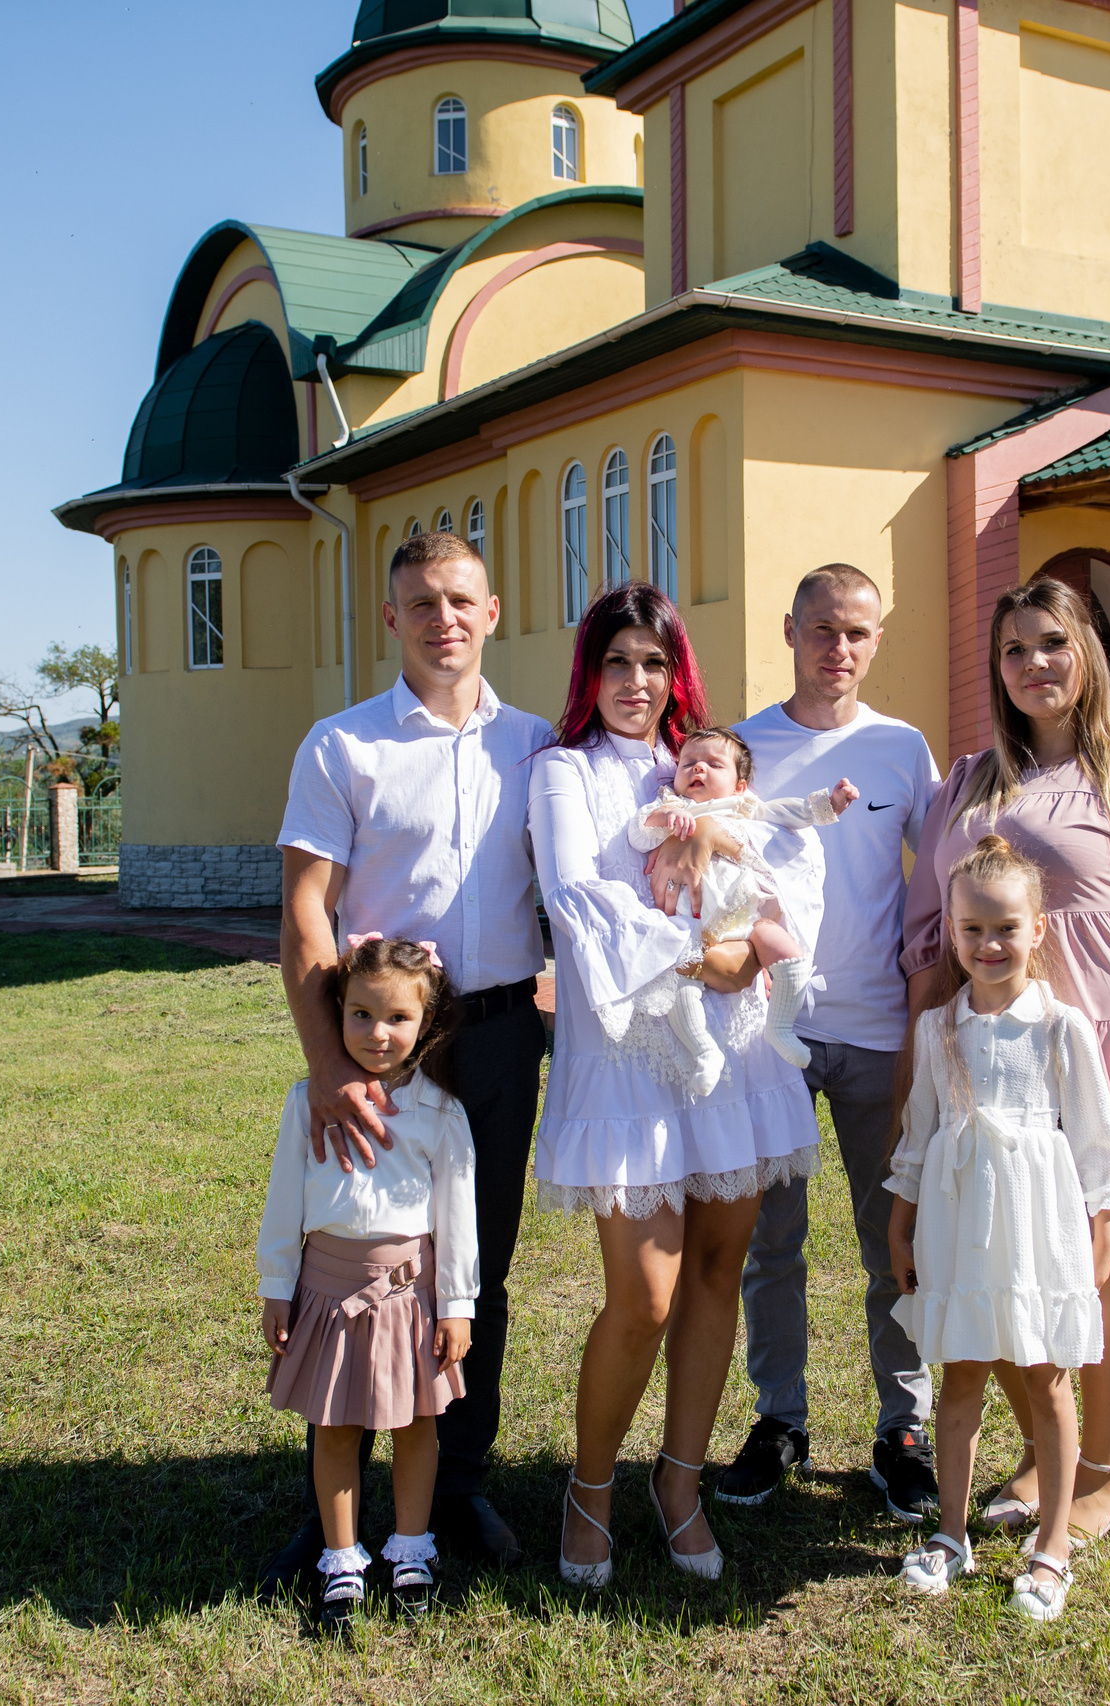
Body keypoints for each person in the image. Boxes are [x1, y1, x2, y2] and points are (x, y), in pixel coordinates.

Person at [899, 574, 1110, 1556]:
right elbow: (926, 931)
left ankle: (1102, 1467)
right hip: (991, 1054)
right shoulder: (965, 781)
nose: (1033, 663)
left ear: (1086, 654)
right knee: (1011, 1253)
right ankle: (1047, 1450)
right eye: (1013, 650)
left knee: (1103, 1250)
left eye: (1052, 643)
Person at [266, 530, 552, 1592]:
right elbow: (304, 908)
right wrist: (331, 1066)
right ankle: (331, 1510)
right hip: (380, 1044)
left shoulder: (534, 747)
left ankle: (458, 1482)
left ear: (491, 611)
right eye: (422, 602)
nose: (443, 619)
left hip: (499, 1033)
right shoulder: (341, 746)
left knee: (479, 1264)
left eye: (461, 600)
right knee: (348, 1263)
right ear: (391, 618)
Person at [530, 582, 824, 1587]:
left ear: (675, 674)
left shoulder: (705, 766)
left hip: (730, 1054)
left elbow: (776, 861)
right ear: (590, 670)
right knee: (643, 1294)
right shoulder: (563, 773)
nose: (637, 682)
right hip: (630, 1053)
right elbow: (580, 899)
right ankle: (591, 1485)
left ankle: (681, 1480)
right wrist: (707, 952)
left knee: (714, 1272)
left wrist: (756, 949)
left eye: (654, 664)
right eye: (618, 661)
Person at [719, 565, 946, 1521]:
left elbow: (936, 888)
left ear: (877, 639)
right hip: (769, 1037)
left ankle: (903, 1427)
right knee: (772, 1242)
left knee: (891, 1235)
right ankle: (780, 1418)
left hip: (876, 1031)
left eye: (856, 632)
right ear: (789, 629)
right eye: (821, 629)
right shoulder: (746, 748)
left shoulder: (902, 751)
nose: (837, 649)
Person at [886, 833, 1110, 1622]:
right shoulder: (938, 1029)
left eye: (1005, 929)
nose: (988, 945)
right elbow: (920, 1135)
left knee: (1044, 1376)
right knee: (960, 1373)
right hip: (958, 1223)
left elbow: (1096, 1141)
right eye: (971, 931)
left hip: (1037, 1223)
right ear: (952, 933)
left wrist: (1101, 1222)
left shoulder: (1060, 1029)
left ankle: (1052, 1545)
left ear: (1038, 929)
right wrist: (901, 1218)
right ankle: (950, 1533)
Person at [257, 936, 478, 1628]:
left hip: (412, 1298)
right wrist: (276, 1286)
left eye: (397, 1019)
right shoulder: (307, 1102)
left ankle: (411, 1550)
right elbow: (284, 1202)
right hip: (326, 1293)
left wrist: (457, 1305)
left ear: (427, 1023)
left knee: (417, 1426)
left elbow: (457, 1219)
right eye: (360, 1015)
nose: (377, 1034)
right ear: (338, 1012)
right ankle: (342, 1558)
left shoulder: (442, 1114)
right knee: (336, 1428)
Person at [626, 725, 856, 1092]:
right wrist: (664, 820)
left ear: (739, 785)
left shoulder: (743, 807)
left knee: (788, 954)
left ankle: (780, 1026)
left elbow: (788, 812)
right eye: (688, 763)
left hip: (743, 918)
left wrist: (828, 805)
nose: (697, 769)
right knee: (680, 989)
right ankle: (703, 1052)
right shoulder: (673, 804)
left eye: (713, 764)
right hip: (693, 924)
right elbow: (638, 832)